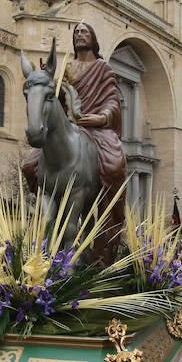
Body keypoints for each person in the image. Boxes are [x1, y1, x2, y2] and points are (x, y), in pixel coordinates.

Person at [22, 22, 126, 264]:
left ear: (93, 38)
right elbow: (58, 98)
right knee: (30, 165)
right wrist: (43, 81)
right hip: (71, 126)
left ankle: (112, 211)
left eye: (84, 32)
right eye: (76, 32)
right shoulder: (66, 67)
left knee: (114, 164)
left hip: (96, 127)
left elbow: (112, 100)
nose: (80, 35)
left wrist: (101, 117)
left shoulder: (103, 68)